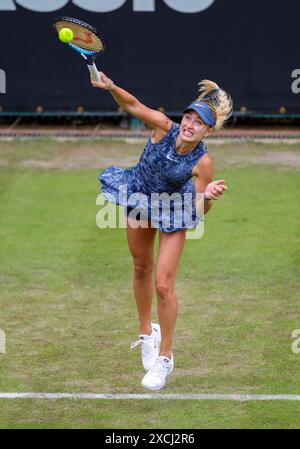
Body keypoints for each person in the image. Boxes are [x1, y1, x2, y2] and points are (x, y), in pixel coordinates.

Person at [92, 72, 232, 390]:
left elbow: (197, 211)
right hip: (140, 196)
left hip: (174, 209)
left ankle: (165, 357)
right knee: (141, 267)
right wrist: (111, 85)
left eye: (199, 122)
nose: (189, 123)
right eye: (188, 116)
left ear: (208, 130)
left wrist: (206, 198)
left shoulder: (203, 162)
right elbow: (132, 105)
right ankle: (146, 333)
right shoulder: (162, 127)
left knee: (164, 286)